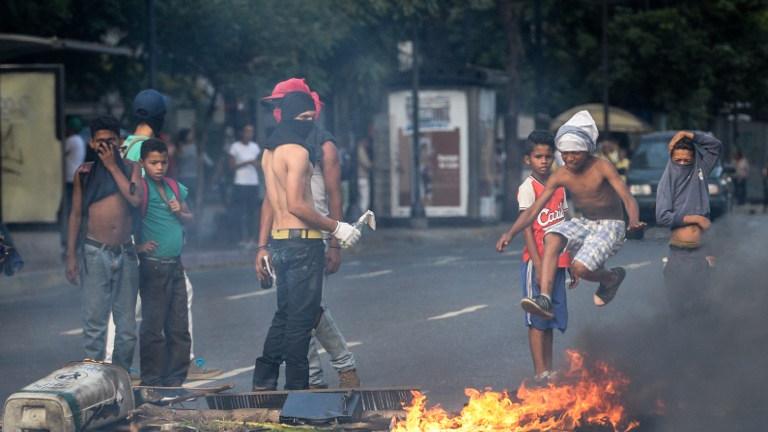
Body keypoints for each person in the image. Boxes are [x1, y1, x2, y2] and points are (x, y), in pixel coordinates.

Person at [251, 91, 361, 391]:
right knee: (301, 323)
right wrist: (337, 228)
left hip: (280, 242)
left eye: (311, 117)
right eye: (303, 118)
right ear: (289, 117)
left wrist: (262, 246)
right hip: (303, 244)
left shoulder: (269, 153)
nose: (308, 123)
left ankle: (264, 383)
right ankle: (298, 391)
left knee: (284, 316)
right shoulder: (298, 153)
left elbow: (270, 202)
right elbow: (296, 205)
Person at [108, 89, 221, 380]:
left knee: (127, 300)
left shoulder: (126, 144)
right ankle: (179, 362)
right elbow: (140, 196)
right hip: (147, 236)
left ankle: (112, 362)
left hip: (130, 232)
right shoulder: (144, 149)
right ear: (159, 117)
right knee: (140, 303)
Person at [496, 110, 644, 319]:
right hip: (585, 222)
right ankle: (544, 299)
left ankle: (611, 278)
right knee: (552, 236)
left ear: (587, 151)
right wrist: (510, 233)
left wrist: (634, 220)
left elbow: (627, 198)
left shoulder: (602, 167)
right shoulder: (561, 174)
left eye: (575, 153)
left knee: (580, 268)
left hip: (611, 224)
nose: (569, 158)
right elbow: (532, 210)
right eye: (565, 153)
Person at [65, 115, 142, 371]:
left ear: (119, 142)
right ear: (91, 143)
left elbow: (135, 199)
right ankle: (94, 379)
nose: (105, 146)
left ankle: (120, 378)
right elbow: (76, 215)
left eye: (111, 141)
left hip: (126, 253)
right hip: (95, 252)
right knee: (95, 325)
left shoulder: (131, 167)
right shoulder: (84, 173)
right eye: (100, 142)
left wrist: (112, 167)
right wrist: (71, 256)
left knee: (127, 330)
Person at [501, 131, 572, 381]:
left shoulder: (559, 185)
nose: (543, 161)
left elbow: (566, 223)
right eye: (538, 156)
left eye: (548, 157)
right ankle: (540, 372)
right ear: (527, 159)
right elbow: (528, 229)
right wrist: (540, 265)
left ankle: (549, 371)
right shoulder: (527, 188)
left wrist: (571, 262)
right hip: (537, 261)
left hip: (559, 262)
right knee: (536, 318)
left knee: (549, 317)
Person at [136, 138, 194, 386]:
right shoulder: (140, 188)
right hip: (153, 265)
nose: (159, 167)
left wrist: (179, 211)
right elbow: (127, 219)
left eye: (163, 162)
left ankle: (175, 380)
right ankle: (152, 380)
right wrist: (137, 246)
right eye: (153, 163)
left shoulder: (174, 187)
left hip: (175, 264)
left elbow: (190, 217)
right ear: (142, 163)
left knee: (179, 326)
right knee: (153, 327)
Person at [656, 131, 721, 318]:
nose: (683, 164)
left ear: (694, 160)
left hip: (702, 251)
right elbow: (662, 216)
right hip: (678, 253)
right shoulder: (667, 182)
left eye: (687, 160)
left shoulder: (700, 172)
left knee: (703, 306)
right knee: (678, 307)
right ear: (671, 160)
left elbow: (715, 146)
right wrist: (696, 219)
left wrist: (686, 134)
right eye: (678, 160)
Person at [228, 124, 262, 247]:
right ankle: (242, 238)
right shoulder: (235, 147)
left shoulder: (255, 147)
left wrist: (257, 164)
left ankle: (252, 238)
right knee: (240, 211)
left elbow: (259, 164)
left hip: (253, 182)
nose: (249, 134)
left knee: (252, 212)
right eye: (247, 131)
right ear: (242, 133)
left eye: (251, 131)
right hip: (240, 183)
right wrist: (247, 162)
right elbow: (231, 166)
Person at [60, 116, 86, 253]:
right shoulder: (79, 140)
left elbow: (58, 150)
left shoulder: (72, 140)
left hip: (71, 180)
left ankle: (70, 244)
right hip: (75, 180)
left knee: (67, 213)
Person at [357, 136, 373, 212]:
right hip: (362, 177)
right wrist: (372, 165)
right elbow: (366, 163)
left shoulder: (360, 150)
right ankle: (363, 215)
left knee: (363, 199)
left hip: (361, 178)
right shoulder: (361, 150)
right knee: (365, 199)